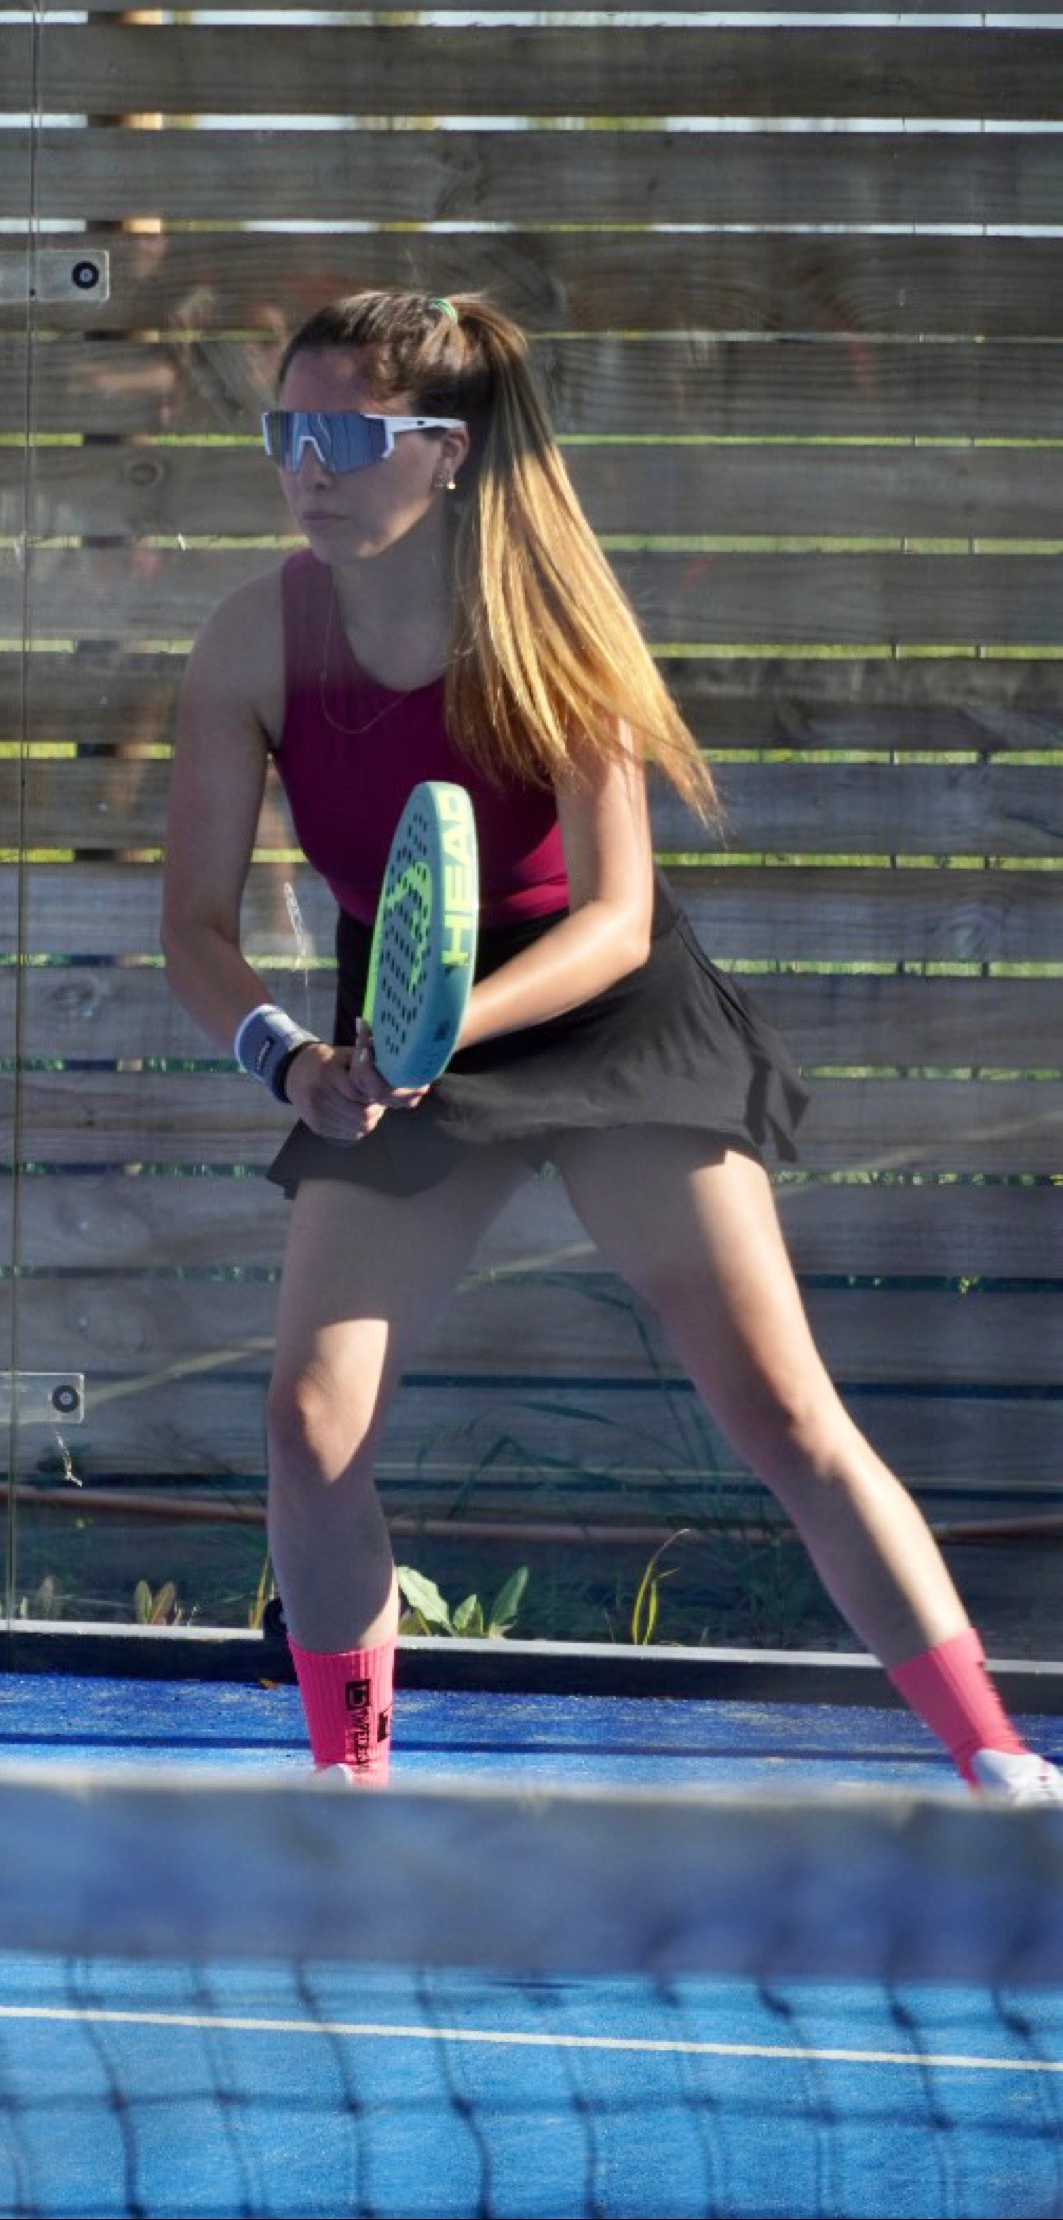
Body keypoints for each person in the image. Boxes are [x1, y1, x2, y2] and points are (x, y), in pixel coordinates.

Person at [161, 286, 1059, 1801]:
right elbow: (194, 929)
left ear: (445, 451)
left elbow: (618, 915)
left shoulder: (551, 623)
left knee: (781, 1410)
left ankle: (1000, 1764)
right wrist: (294, 1060)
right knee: (308, 1427)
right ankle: (351, 1796)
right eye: (283, 435)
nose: (306, 469)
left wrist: (441, 1024)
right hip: (395, 1029)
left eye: (344, 438)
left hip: (606, 1014)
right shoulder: (253, 638)